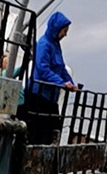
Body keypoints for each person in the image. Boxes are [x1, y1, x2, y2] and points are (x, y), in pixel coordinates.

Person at [23, 10, 75, 144]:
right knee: (39, 129)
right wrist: (62, 83)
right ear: (56, 29)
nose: (66, 34)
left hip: (50, 97)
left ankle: (49, 153)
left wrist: (70, 82)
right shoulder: (43, 44)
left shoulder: (56, 45)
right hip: (38, 95)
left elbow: (61, 68)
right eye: (64, 30)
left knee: (54, 127)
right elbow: (42, 68)